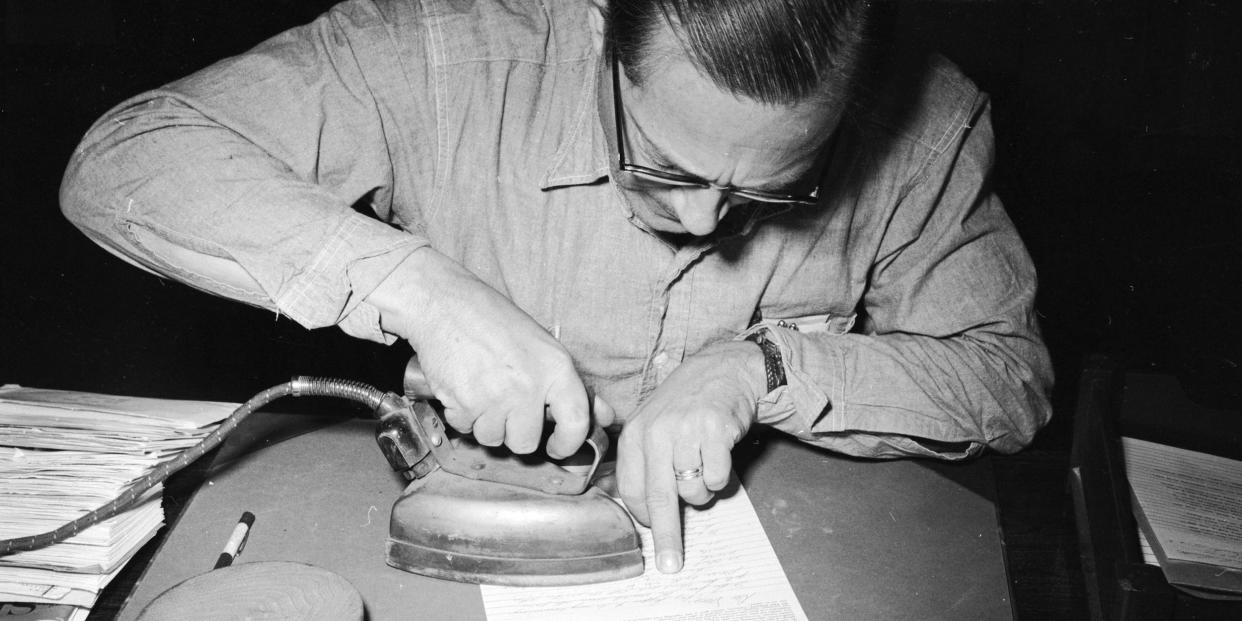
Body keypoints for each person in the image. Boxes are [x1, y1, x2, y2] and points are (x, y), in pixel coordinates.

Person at [61, 0, 1052, 574]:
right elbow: (124, 163)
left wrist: (762, 367)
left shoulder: (925, 118)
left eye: (774, 187)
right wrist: (424, 292)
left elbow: (1009, 376)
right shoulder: (444, 56)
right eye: (665, 166)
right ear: (598, 36)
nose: (709, 224)